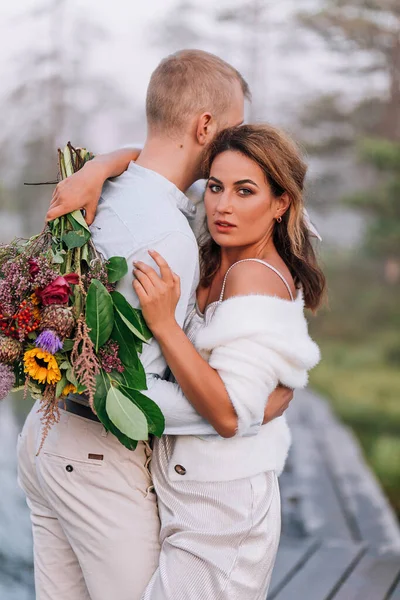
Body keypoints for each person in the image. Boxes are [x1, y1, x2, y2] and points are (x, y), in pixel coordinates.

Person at [17, 50, 294, 600]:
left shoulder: (107, 193)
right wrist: (241, 409)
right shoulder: (168, 235)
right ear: (206, 126)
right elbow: (123, 388)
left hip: (44, 438)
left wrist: (100, 164)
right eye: (233, 126)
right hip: (96, 455)